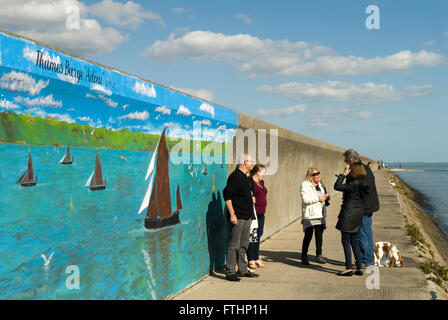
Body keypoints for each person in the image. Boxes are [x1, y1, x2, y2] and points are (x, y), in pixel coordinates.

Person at [223, 154, 260, 281]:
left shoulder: (246, 177)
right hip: (238, 216)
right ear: (245, 162)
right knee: (234, 245)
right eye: (251, 161)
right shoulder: (234, 177)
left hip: (247, 216)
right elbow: (227, 196)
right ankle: (230, 272)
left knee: (244, 244)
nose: (252, 163)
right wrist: (232, 214)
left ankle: (243, 270)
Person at [343, 149, 379, 267]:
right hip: (369, 205)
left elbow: (355, 190)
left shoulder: (358, 171)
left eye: (346, 160)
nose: (345, 163)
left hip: (363, 207)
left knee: (361, 233)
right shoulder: (365, 168)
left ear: (351, 160)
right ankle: (368, 258)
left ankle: (365, 260)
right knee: (367, 232)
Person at [334, 162, 369, 276]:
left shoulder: (352, 184)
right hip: (358, 213)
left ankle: (348, 268)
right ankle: (359, 267)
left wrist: (343, 174)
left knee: (346, 240)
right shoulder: (364, 183)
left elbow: (337, 186)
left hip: (348, 214)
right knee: (355, 240)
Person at [300, 167, 330, 265]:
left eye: (318, 173)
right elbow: (305, 200)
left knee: (319, 235)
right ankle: (304, 255)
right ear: (310, 176)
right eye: (315, 174)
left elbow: (323, 198)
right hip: (310, 214)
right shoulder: (305, 185)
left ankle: (319, 255)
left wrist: (326, 197)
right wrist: (319, 199)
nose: (317, 175)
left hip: (320, 214)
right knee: (308, 235)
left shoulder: (321, 185)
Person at [247, 164, 267, 269]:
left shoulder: (261, 182)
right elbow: (247, 194)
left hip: (261, 213)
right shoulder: (250, 182)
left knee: (258, 235)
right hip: (253, 213)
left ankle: (256, 257)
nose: (264, 175)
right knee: (252, 236)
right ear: (257, 172)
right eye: (263, 172)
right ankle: (250, 259)